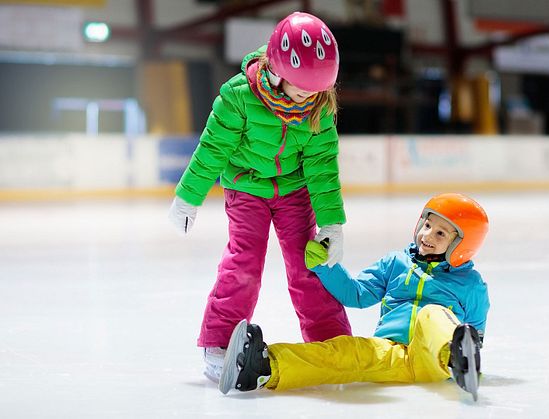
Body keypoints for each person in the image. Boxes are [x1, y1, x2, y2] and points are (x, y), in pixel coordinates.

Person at [167, 12, 352, 382]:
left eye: (317, 90)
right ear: (278, 71)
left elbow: (322, 168)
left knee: (309, 265)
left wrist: (331, 221)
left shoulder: (317, 108)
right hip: (246, 187)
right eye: (302, 89)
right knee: (244, 262)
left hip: (293, 191)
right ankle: (219, 342)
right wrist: (188, 196)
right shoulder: (238, 97)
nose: (309, 97)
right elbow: (212, 150)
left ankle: (330, 340)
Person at [218, 193, 491, 400]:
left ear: (462, 245)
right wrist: (327, 267)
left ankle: (457, 358)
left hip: (435, 359)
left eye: (441, 233)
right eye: (427, 224)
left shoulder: (471, 284)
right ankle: (263, 366)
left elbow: (475, 333)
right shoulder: (396, 264)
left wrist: (464, 350)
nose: (427, 235)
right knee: (345, 351)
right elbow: (357, 294)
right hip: (390, 352)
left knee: (432, 315)